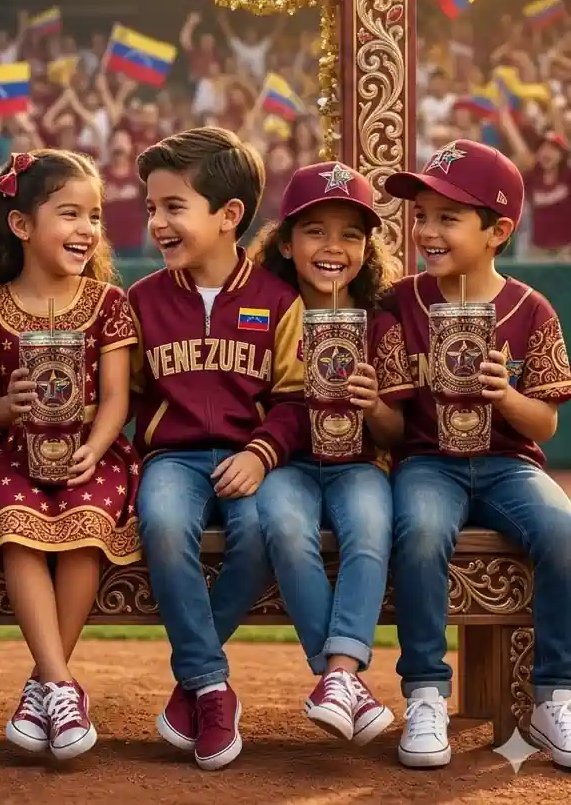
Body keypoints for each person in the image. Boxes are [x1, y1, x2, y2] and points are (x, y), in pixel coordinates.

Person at [382, 140, 571, 770]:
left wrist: (505, 394)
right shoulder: (401, 302)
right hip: (426, 460)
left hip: (510, 462)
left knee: (563, 529)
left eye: (448, 217)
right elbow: (392, 423)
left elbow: (543, 421)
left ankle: (554, 696)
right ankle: (428, 694)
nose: (427, 230)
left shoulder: (532, 309)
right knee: (420, 529)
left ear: (498, 231)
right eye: (423, 216)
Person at [129, 127, 307, 771]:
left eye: (174, 206)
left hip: (249, 455)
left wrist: (262, 452)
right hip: (172, 458)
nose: (158, 222)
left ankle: (193, 685)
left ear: (229, 215)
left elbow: (293, 400)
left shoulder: (276, 300)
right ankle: (211, 685)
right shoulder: (142, 299)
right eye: (152, 208)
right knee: (165, 523)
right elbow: (128, 395)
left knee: (259, 533)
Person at [0, 150, 141, 761]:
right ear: (22, 225)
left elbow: (116, 397)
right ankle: (61, 683)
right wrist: (7, 404)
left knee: (84, 528)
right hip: (10, 450)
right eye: (70, 214)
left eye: (94, 216)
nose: (88, 229)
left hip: (94, 449)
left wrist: (93, 446)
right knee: (19, 529)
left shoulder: (108, 302)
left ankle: (45, 686)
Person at [249, 161, 403, 745]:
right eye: (315, 230)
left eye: (350, 234)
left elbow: (394, 431)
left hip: (358, 465)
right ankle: (342, 680)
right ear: (285, 242)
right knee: (286, 530)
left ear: (367, 247)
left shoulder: (380, 321)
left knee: (369, 529)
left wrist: (373, 405)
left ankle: (339, 676)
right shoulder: (263, 309)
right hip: (286, 465)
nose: (333, 246)